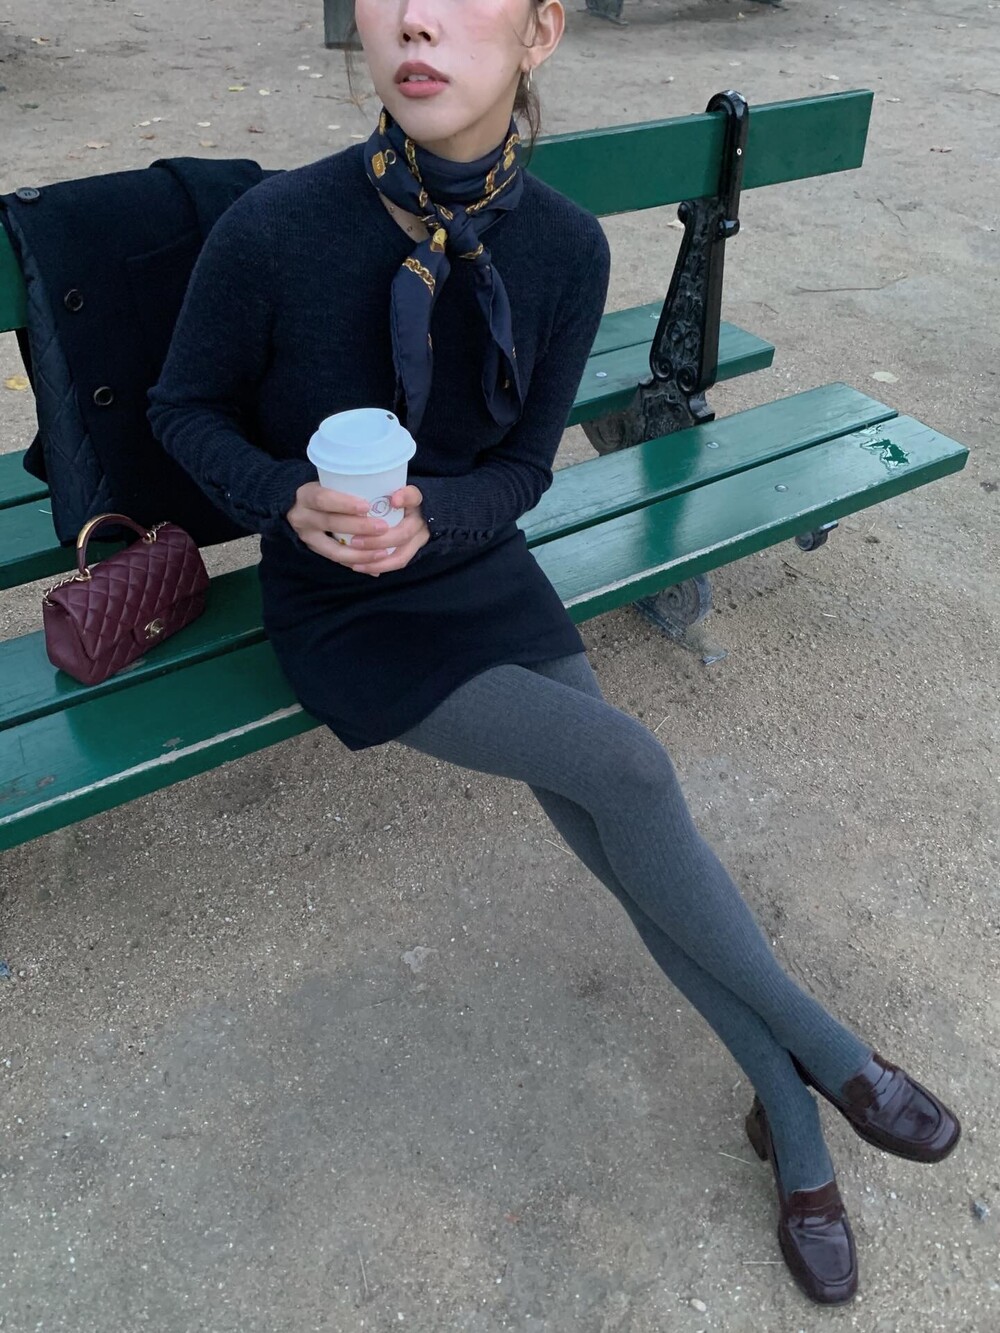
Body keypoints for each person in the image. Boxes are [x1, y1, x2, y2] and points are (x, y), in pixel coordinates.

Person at [148, 0, 960, 1306]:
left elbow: (523, 471)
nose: (414, 19)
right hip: (346, 608)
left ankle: (789, 1114)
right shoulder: (275, 227)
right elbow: (182, 409)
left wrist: (439, 517)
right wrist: (287, 496)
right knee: (629, 770)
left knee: (628, 847)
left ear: (539, 33)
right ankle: (831, 1056)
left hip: (477, 563)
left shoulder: (567, 247)